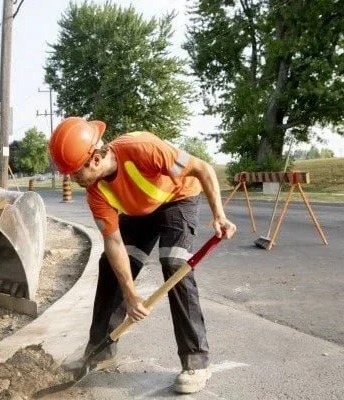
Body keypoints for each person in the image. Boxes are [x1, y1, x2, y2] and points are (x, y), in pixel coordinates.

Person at [47, 117, 237, 394]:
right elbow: (112, 242)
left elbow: (202, 168)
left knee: (174, 262)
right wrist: (131, 293)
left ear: (96, 160)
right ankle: (100, 351)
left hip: (177, 199)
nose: (71, 179)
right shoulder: (95, 193)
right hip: (139, 212)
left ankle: (196, 361)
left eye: (75, 172)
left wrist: (219, 215)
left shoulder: (143, 149)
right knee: (111, 267)